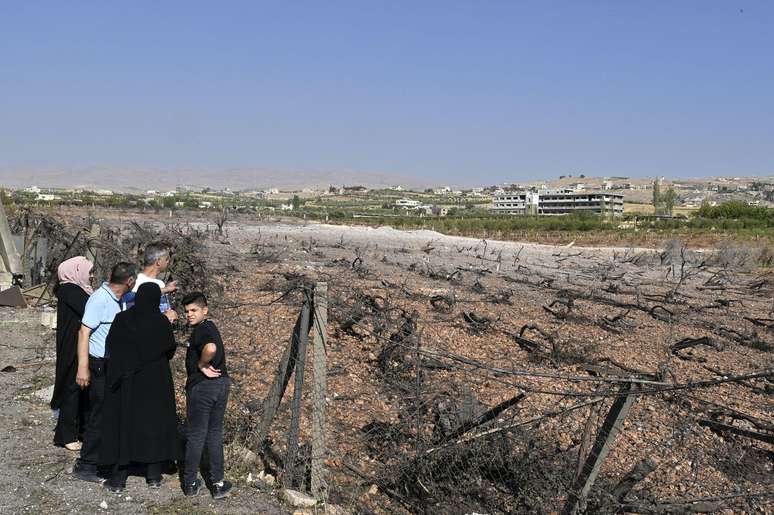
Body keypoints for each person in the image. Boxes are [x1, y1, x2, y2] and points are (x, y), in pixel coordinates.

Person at [100, 283, 178, 493]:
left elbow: (112, 345)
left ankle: (119, 476)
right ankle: (153, 474)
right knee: (152, 423)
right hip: (155, 381)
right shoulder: (161, 321)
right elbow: (170, 348)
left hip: (127, 380)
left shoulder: (123, 319)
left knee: (125, 423)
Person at [72, 262, 137, 483]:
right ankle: (87, 465)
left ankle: (103, 459)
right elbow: (83, 332)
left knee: (107, 413)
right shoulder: (99, 299)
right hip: (97, 364)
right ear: (129, 281)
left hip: (111, 364)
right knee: (98, 415)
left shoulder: (119, 299)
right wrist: (83, 368)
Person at [181, 292, 232, 499]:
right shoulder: (211, 327)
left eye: (194, 310)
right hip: (221, 385)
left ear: (205, 310)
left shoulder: (201, 330)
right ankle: (218, 483)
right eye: (186, 312)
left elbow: (210, 348)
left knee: (196, 434)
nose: (189, 315)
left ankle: (190, 482)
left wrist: (201, 364)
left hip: (203, 387)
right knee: (214, 433)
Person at [51, 256, 94, 451]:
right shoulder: (71, 290)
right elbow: (89, 310)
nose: (91, 276)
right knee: (72, 387)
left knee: (82, 389)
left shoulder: (76, 290)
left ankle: (80, 429)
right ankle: (65, 435)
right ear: (76, 271)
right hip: (72, 346)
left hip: (78, 344)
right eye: (89, 271)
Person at [133, 243, 178, 322]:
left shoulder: (160, 283)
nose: (168, 262)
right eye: (166, 259)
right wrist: (166, 289)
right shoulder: (137, 282)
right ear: (158, 262)